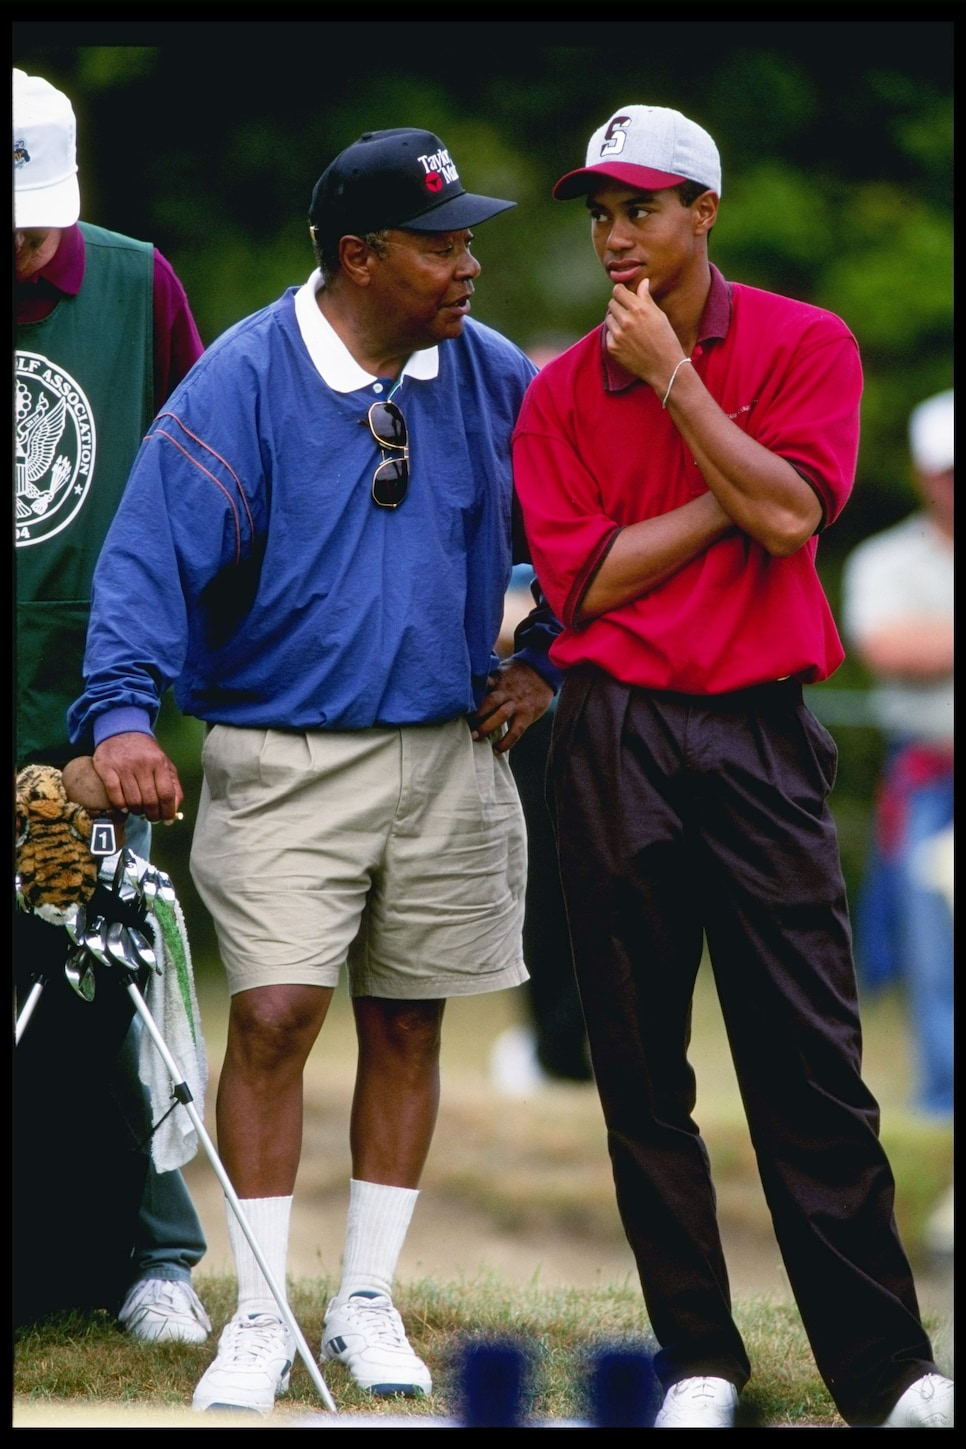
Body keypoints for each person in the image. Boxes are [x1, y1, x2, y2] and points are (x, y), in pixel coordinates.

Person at [66, 126, 559, 1416]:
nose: (469, 266)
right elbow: (143, 565)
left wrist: (549, 658)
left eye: (471, 241)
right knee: (277, 1018)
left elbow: (574, 521)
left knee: (410, 1019)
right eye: (442, 244)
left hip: (451, 751)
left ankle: (364, 1304)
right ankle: (265, 1314)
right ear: (360, 256)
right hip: (284, 757)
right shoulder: (242, 378)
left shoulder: (489, 374)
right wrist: (121, 719)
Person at [511, 104, 953, 1428]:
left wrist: (680, 391)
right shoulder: (553, 389)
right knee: (641, 1072)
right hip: (611, 735)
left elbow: (797, 515)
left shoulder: (803, 343)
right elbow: (584, 583)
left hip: (758, 731)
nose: (613, 238)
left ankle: (887, 1373)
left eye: (638, 208)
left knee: (810, 1065)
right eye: (596, 213)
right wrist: (734, 494)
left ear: (704, 212)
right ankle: (699, 1360)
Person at [14, 68, 211, 1345]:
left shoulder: (136, 283)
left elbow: (198, 471)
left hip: (95, 709)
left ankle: (157, 1260)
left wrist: (151, 692)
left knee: (106, 977)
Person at [840, 389, 953, 1124]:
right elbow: (888, 646)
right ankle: (944, 1105)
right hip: (931, 781)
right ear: (922, 472)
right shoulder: (887, 559)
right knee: (933, 955)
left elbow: (922, 645)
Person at [489, 562, 593, 1094]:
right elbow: (501, 620)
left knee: (612, 897)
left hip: (611, 729)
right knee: (541, 896)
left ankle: (580, 1044)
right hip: (538, 740)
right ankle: (553, 1047)